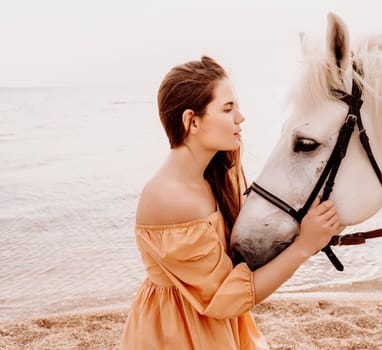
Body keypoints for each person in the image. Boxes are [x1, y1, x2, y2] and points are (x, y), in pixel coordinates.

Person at [120, 56, 340, 350]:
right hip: (176, 332)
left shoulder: (219, 172)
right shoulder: (169, 198)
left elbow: (241, 260)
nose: (240, 117)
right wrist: (304, 247)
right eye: (227, 108)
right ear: (192, 121)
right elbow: (225, 298)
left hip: (215, 325)